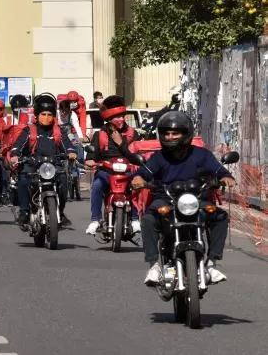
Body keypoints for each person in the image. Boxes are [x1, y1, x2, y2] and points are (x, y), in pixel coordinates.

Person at [131, 111, 235, 286]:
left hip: (196, 200)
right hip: (166, 199)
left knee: (220, 217)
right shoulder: (159, 157)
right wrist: (139, 179)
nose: (170, 137)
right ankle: (154, 265)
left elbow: (218, 169)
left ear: (186, 134)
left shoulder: (201, 154)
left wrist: (226, 177)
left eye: (175, 133)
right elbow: (143, 173)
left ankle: (212, 264)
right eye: (166, 133)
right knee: (148, 219)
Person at [9, 93, 78, 230]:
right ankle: (24, 211)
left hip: (53, 166)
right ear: (36, 115)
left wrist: (71, 152)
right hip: (32, 166)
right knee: (23, 179)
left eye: (49, 114)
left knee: (64, 180)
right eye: (43, 114)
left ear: (54, 116)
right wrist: (15, 155)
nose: (46, 118)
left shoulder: (59, 131)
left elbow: (68, 145)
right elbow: (17, 146)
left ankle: (61, 211)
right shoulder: (29, 130)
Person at [84, 95, 141, 235]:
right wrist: (90, 160)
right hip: (106, 171)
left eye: (123, 116)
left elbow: (136, 155)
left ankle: (135, 219)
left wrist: (121, 143)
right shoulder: (100, 135)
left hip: (127, 171)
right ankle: (95, 220)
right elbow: (93, 153)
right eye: (117, 117)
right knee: (97, 185)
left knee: (136, 186)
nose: (121, 119)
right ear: (109, 119)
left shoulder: (133, 134)